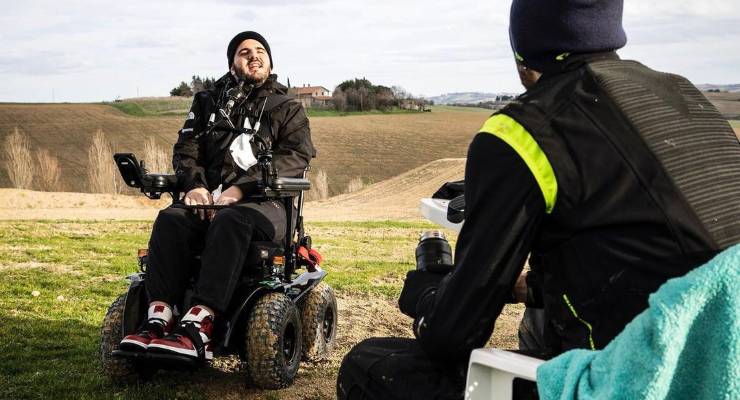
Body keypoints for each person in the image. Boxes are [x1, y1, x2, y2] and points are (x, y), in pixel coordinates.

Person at [337, 0, 740, 398]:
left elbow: (452, 338)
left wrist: (429, 296)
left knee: (371, 365)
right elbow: (655, 251)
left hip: (649, 376)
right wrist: (523, 288)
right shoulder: (684, 95)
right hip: (721, 357)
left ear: (521, 50)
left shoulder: (524, 129)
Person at [119, 31, 315, 361]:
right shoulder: (208, 102)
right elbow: (186, 150)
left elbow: (295, 158)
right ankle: (158, 316)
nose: (254, 55)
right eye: (244, 52)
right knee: (171, 218)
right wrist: (194, 186)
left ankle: (200, 324)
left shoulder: (288, 109)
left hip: (265, 205)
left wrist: (241, 189)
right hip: (208, 199)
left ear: (269, 60)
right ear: (231, 62)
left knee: (231, 218)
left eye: (260, 50)